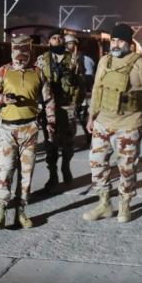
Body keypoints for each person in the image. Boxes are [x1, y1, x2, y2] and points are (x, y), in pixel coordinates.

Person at [83, 23, 142, 223]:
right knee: (97, 164)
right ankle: (104, 204)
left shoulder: (141, 64)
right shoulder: (105, 61)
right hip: (102, 123)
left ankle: (124, 204)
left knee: (126, 168)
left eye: (120, 41)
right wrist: (91, 116)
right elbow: (97, 89)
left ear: (129, 43)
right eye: (113, 40)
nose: (116, 44)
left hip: (128, 125)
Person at [0, 34, 55, 229]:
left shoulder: (38, 73)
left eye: (24, 55)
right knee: (6, 168)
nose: (20, 59)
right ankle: (1, 210)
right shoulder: (3, 71)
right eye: (17, 54)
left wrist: (51, 122)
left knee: (26, 172)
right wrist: (1, 99)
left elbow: (48, 99)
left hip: (30, 129)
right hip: (8, 129)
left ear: (29, 53)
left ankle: (21, 211)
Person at [36, 30, 85, 190]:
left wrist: (78, 103)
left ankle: (65, 165)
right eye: (54, 38)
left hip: (67, 106)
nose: (57, 40)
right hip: (49, 107)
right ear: (49, 42)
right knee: (50, 142)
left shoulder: (73, 59)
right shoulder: (41, 60)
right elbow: (36, 84)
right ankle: (53, 175)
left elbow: (80, 82)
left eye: (60, 38)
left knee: (68, 142)